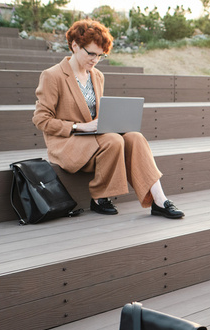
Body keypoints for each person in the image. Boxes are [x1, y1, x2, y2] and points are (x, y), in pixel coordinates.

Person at [32, 20, 183, 219]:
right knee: (113, 140)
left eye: (100, 56)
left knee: (135, 137)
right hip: (67, 143)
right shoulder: (53, 76)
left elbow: (95, 115)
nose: (95, 60)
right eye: (91, 53)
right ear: (75, 45)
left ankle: (159, 200)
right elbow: (41, 120)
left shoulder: (97, 76)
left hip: (95, 137)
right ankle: (99, 198)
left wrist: (112, 123)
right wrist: (80, 126)